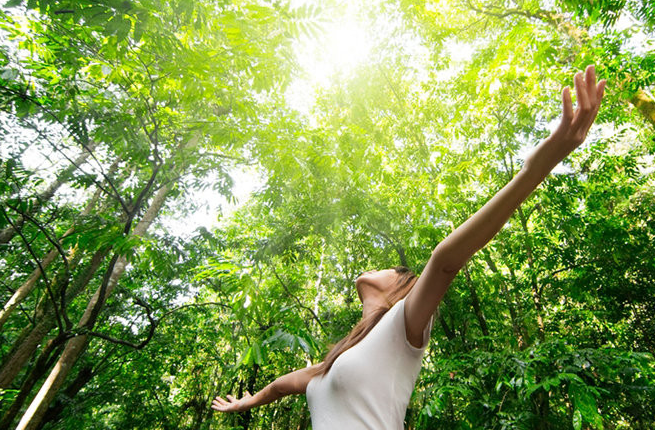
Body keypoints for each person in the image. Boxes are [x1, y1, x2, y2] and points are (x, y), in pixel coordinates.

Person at [212, 65, 606, 428]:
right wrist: (244, 404)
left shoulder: (404, 323)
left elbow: (445, 260)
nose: (376, 268)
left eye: (391, 269)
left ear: (399, 287)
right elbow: (280, 386)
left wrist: (534, 168)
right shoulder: (332, 365)